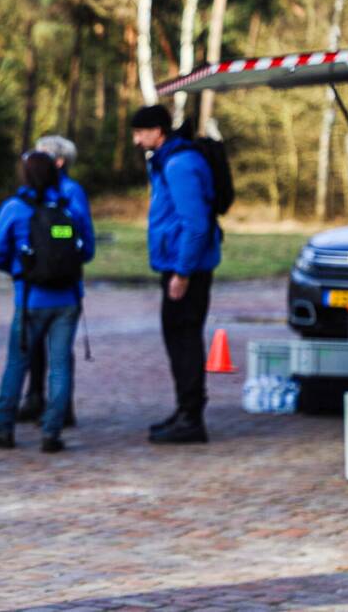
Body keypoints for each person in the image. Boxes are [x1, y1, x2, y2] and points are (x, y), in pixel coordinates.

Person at [0, 151, 95, 453]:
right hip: (69, 299)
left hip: (31, 298)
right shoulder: (70, 209)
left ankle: (3, 429)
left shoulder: (15, 209)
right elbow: (86, 252)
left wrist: (19, 269)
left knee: (16, 364)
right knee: (60, 366)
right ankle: (52, 433)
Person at [131, 104, 221, 444]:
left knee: (183, 339)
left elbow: (195, 225)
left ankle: (190, 418)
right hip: (181, 265)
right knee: (179, 338)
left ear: (158, 130)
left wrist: (182, 273)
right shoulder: (170, 159)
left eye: (140, 133)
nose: (137, 141)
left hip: (187, 269)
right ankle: (185, 410)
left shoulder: (180, 163)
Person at [16, 135, 89, 427]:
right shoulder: (32, 193)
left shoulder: (71, 192)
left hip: (60, 285)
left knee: (59, 351)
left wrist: (55, 256)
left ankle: (62, 408)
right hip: (35, 285)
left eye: (41, 154)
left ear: (58, 161)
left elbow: (80, 238)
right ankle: (35, 398)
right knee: (33, 348)